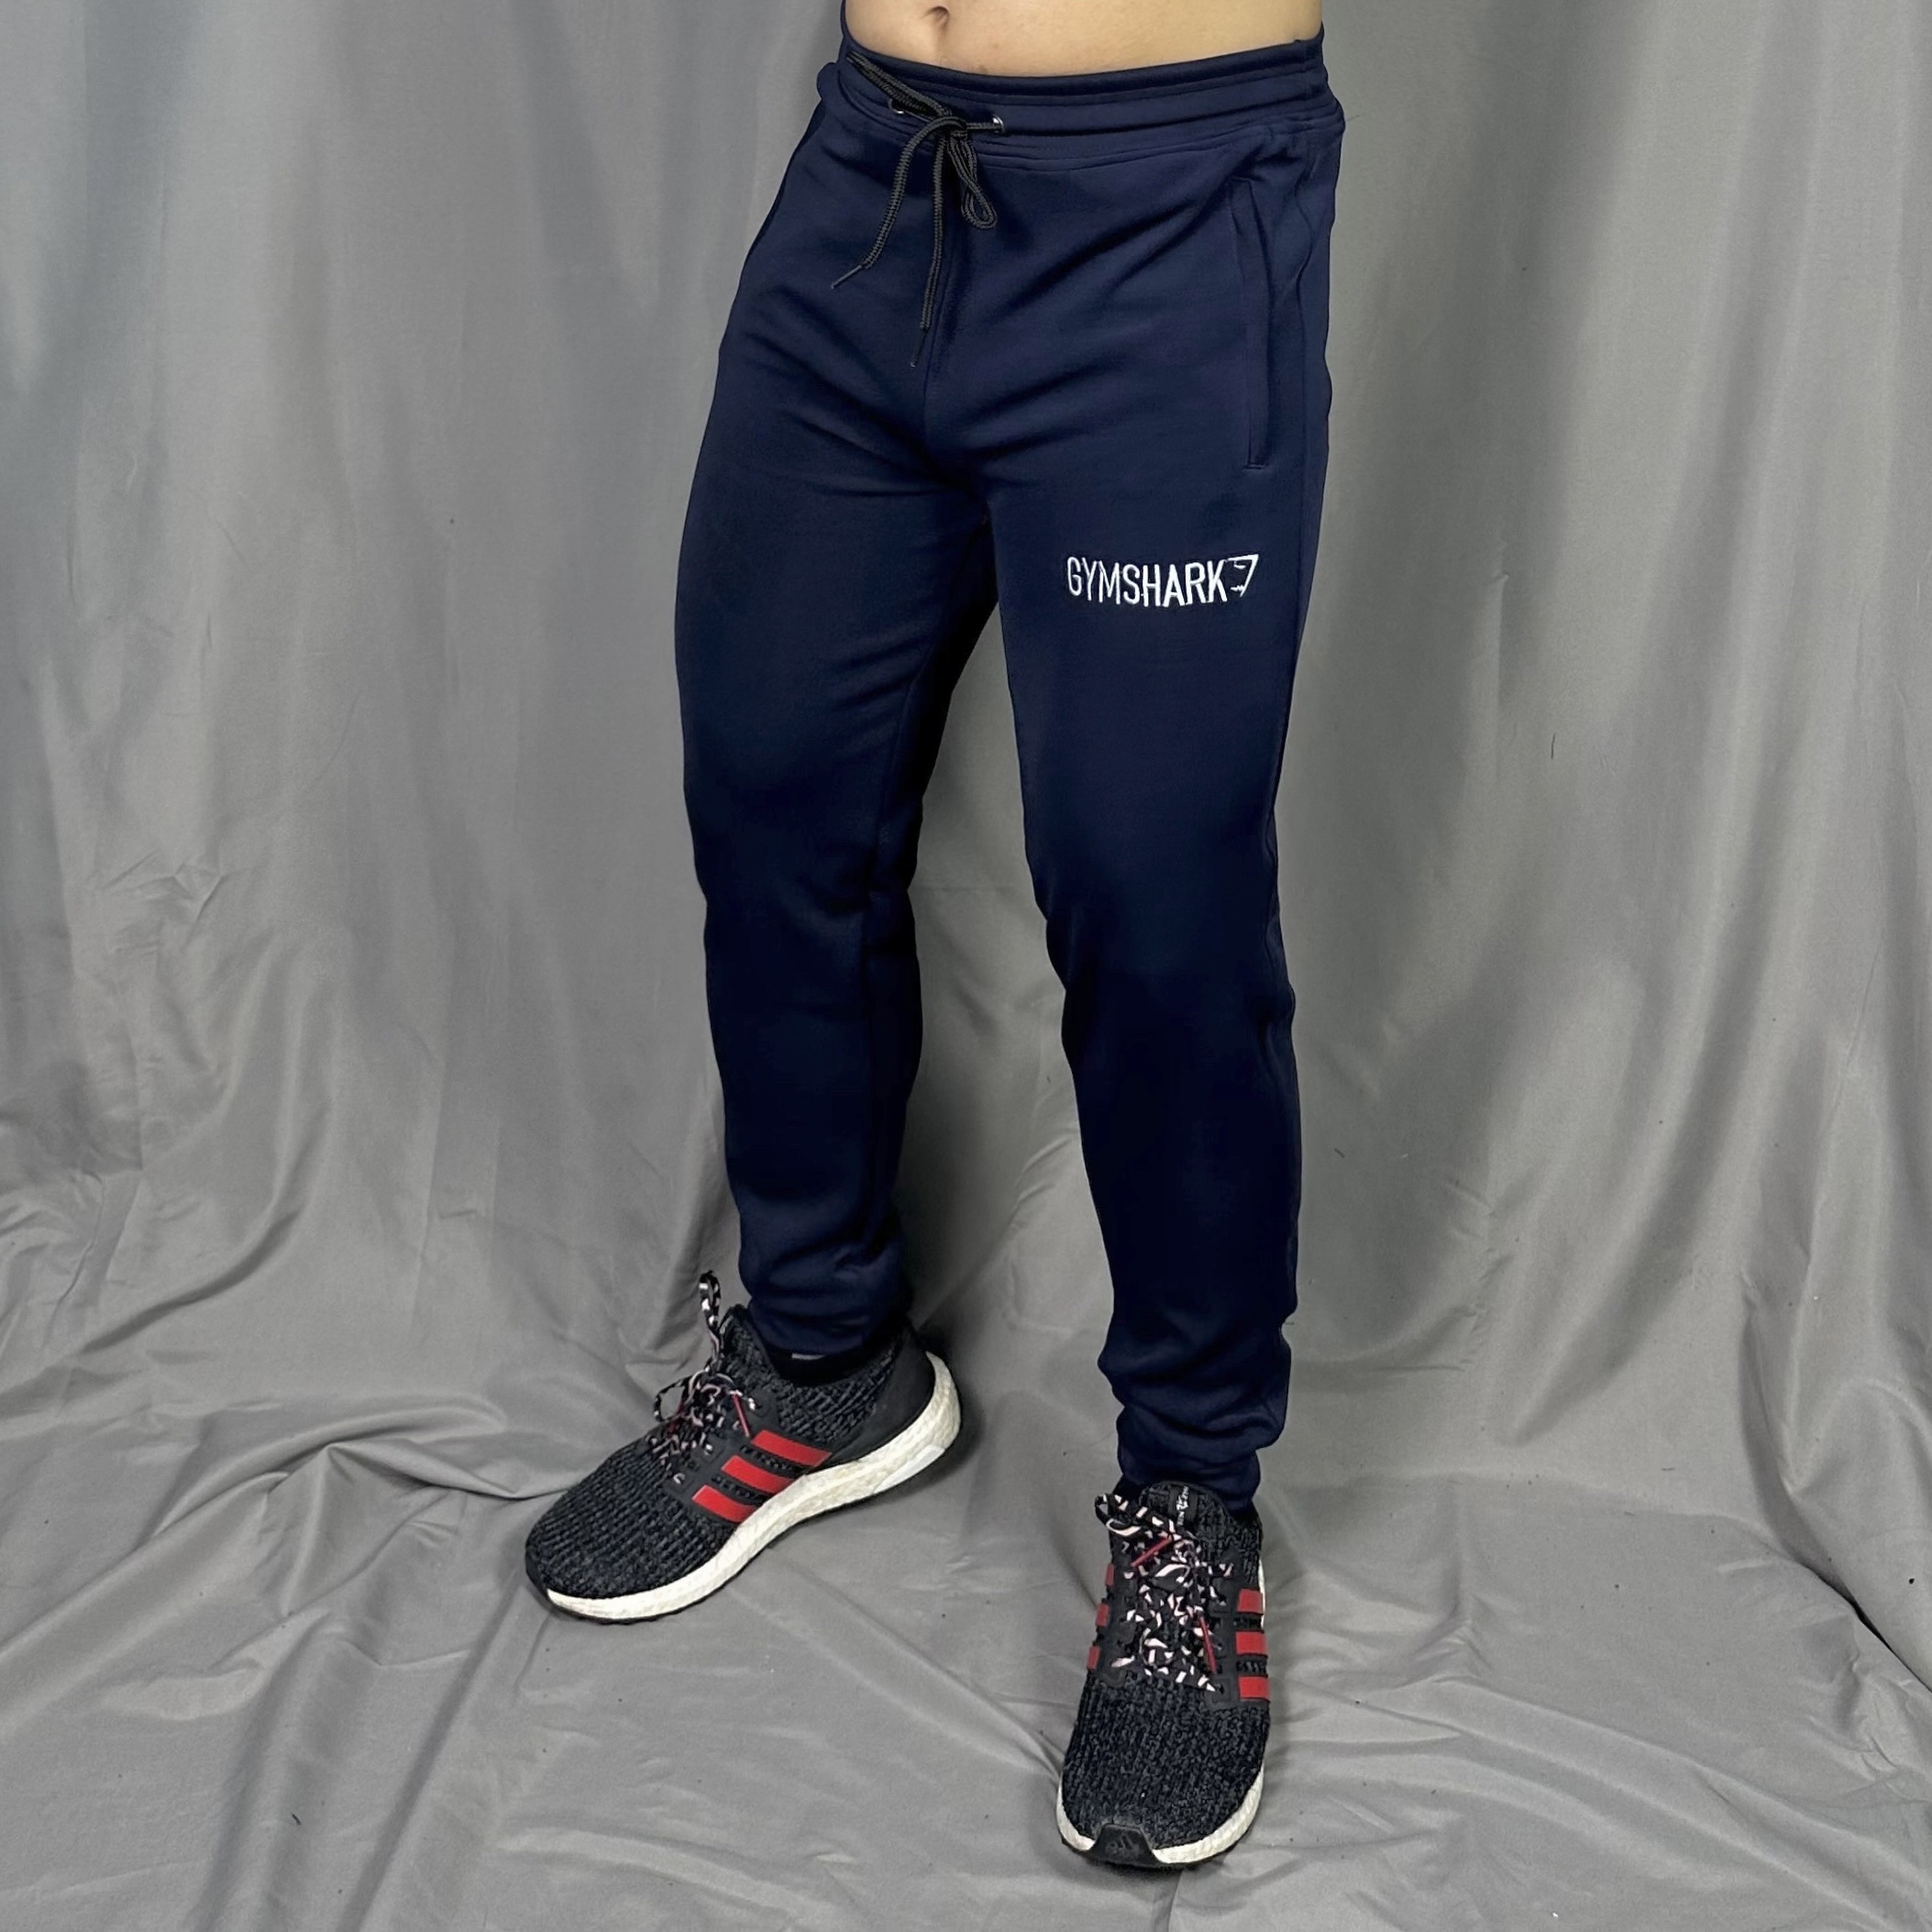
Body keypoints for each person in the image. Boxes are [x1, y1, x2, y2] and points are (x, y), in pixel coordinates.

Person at [524, 0, 1342, 1870]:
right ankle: (825, 1360)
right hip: (871, 186)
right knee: (775, 789)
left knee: (1152, 894)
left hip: (1168, 212)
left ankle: (1190, 1498)